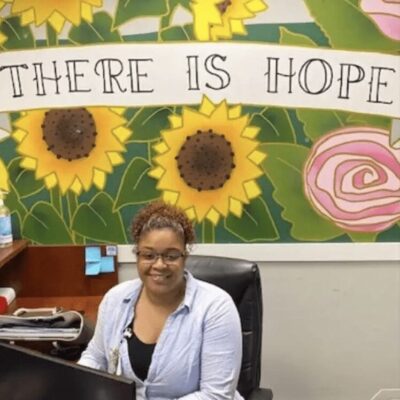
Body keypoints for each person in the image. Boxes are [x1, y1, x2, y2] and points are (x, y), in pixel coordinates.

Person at [78, 200, 244, 400]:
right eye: (148, 255)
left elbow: (216, 395)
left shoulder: (216, 308)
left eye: (171, 256)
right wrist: (74, 385)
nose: (159, 265)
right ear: (137, 256)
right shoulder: (115, 299)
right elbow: (96, 357)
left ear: (184, 257)